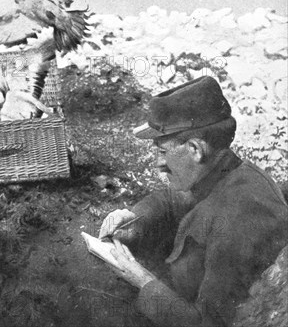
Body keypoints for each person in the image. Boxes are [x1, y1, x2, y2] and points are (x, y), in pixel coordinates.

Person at [98, 76, 288, 327]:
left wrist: (142, 281)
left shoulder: (237, 222)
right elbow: (174, 199)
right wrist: (136, 220)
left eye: (162, 151)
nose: (158, 163)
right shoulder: (223, 172)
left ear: (195, 150)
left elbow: (208, 324)